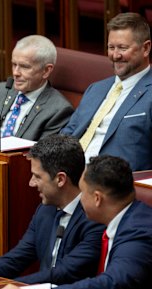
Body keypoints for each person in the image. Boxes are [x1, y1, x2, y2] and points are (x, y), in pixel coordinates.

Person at [0, 155, 152, 289]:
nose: (79, 199)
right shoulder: (127, 219)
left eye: (82, 192)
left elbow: (112, 282)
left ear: (97, 198)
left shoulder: (138, 232)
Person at [0, 134, 105, 284]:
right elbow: (18, 257)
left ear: (60, 179)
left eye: (37, 177)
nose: (31, 183)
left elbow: (66, 272)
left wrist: (14, 287)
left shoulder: (94, 219)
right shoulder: (45, 211)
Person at [61, 12, 152, 171]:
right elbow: (68, 134)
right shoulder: (96, 89)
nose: (115, 55)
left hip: (114, 185)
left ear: (146, 48)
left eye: (123, 48)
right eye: (111, 47)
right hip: (71, 176)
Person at [0, 35, 73, 141]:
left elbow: (41, 155)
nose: (15, 73)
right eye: (14, 64)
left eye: (24, 67)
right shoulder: (1, 90)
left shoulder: (58, 110)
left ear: (46, 70)